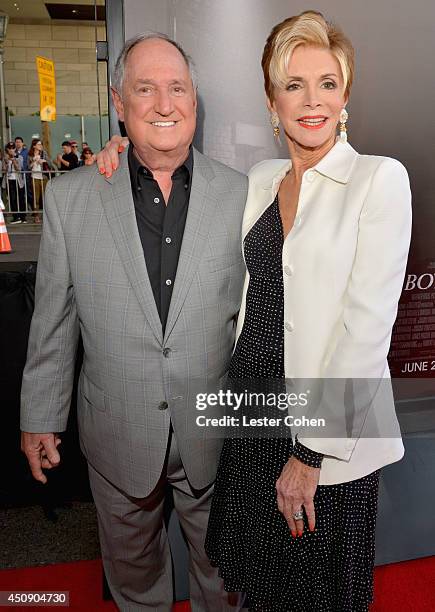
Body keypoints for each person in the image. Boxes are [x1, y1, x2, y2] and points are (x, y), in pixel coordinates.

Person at [97, 10, 412, 612]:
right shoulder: (262, 179)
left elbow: (366, 333)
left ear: (346, 94)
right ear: (272, 101)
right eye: (293, 85)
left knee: (320, 596)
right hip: (255, 416)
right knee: (260, 592)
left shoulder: (379, 180)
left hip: (323, 435)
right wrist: (123, 148)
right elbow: (180, 178)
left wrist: (308, 452)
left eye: (326, 82)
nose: (311, 100)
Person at [20, 33, 247, 611]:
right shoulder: (73, 199)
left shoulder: (245, 196)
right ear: (119, 102)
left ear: (195, 100)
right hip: (115, 436)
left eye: (177, 88)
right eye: (146, 89)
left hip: (217, 438)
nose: (164, 104)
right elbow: (54, 322)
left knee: (225, 583)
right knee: (134, 583)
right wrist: (40, 416)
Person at [2, 142, 27, 224]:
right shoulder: (5, 158)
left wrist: (14, 160)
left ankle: (23, 217)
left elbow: (19, 169)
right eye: (9, 148)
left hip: (18, 180)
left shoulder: (19, 157)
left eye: (13, 148)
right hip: (9, 180)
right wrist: (6, 162)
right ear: (7, 149)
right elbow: (3, 170)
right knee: (12, 199)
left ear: (15, 149)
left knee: (20, 198)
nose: (11, 150)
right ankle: (16, 217)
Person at [28, 139, 49, 223]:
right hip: (34, 177)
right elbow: (28, 167)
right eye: (39, 144)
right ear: (34, 146)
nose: (40, 146)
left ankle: (46, 216)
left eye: (41, 144)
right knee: (36, 198)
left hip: (43, 177)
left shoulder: (44, 153)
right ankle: (36, 216)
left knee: (45, 197)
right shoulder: (30, 155)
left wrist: (43, 161)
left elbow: (50, 163)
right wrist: (34, 161)